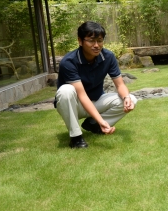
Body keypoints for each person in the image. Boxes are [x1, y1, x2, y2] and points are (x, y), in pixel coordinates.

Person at [55, 21, 137, 149]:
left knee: (131, 99)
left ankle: (93, 125)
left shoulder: (108, 56)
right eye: (91, 40)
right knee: (66, 90)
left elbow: (120, 85)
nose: (96, 45)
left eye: (100, 40)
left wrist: (126, 98)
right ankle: (76, 137)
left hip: (96, 100)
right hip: (74, 105)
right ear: (80, 41)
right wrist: (101, 119)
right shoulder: (69, 61)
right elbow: (81, 95)